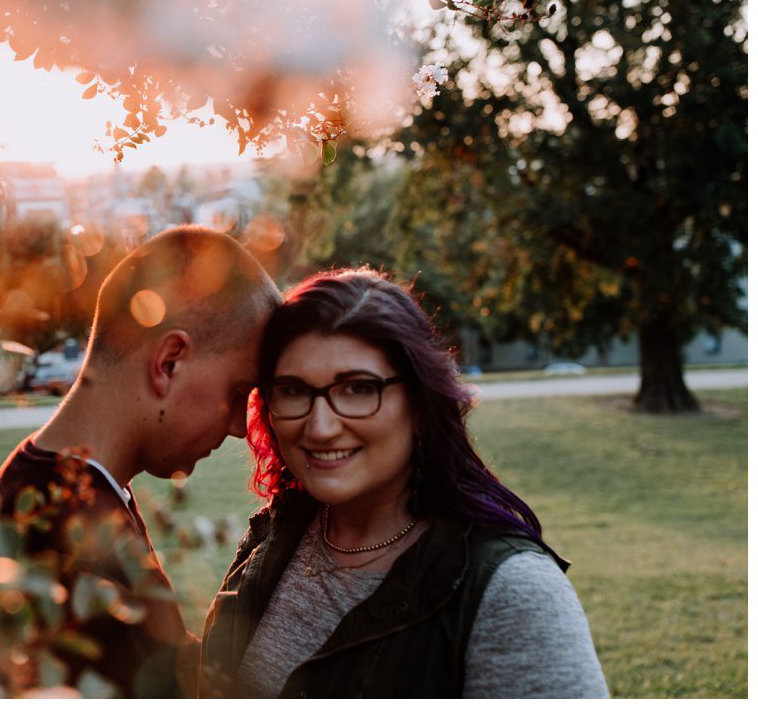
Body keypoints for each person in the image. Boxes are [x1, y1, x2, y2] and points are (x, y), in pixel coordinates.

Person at [198, 268, 609, 698]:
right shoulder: (278, 532)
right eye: (294, 391)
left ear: (420, 405)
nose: (320, 427)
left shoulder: (513, 593)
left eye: (358, 389)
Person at [0, 225, 281, 698]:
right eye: (236, 393)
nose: (239, 427)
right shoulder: (72, 537)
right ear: (169, 362)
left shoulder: (58, 485)